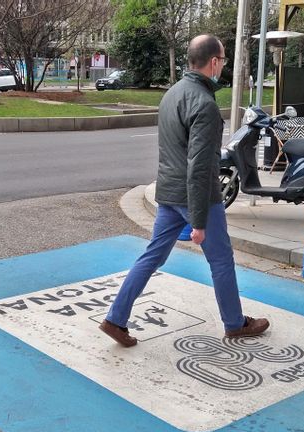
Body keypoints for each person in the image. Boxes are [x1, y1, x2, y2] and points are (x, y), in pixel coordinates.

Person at [97, 34, 270, 347]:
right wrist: (200, 221)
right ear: (214, 62)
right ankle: (234, 323)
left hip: (169, 193)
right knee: (220, 260)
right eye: (224, 60)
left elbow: (171, 152)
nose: (224, 66)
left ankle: (115, 319)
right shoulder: (204, 105)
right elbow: (201, 167)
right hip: (198, 198)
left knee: (152, 256)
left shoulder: (172, 94)